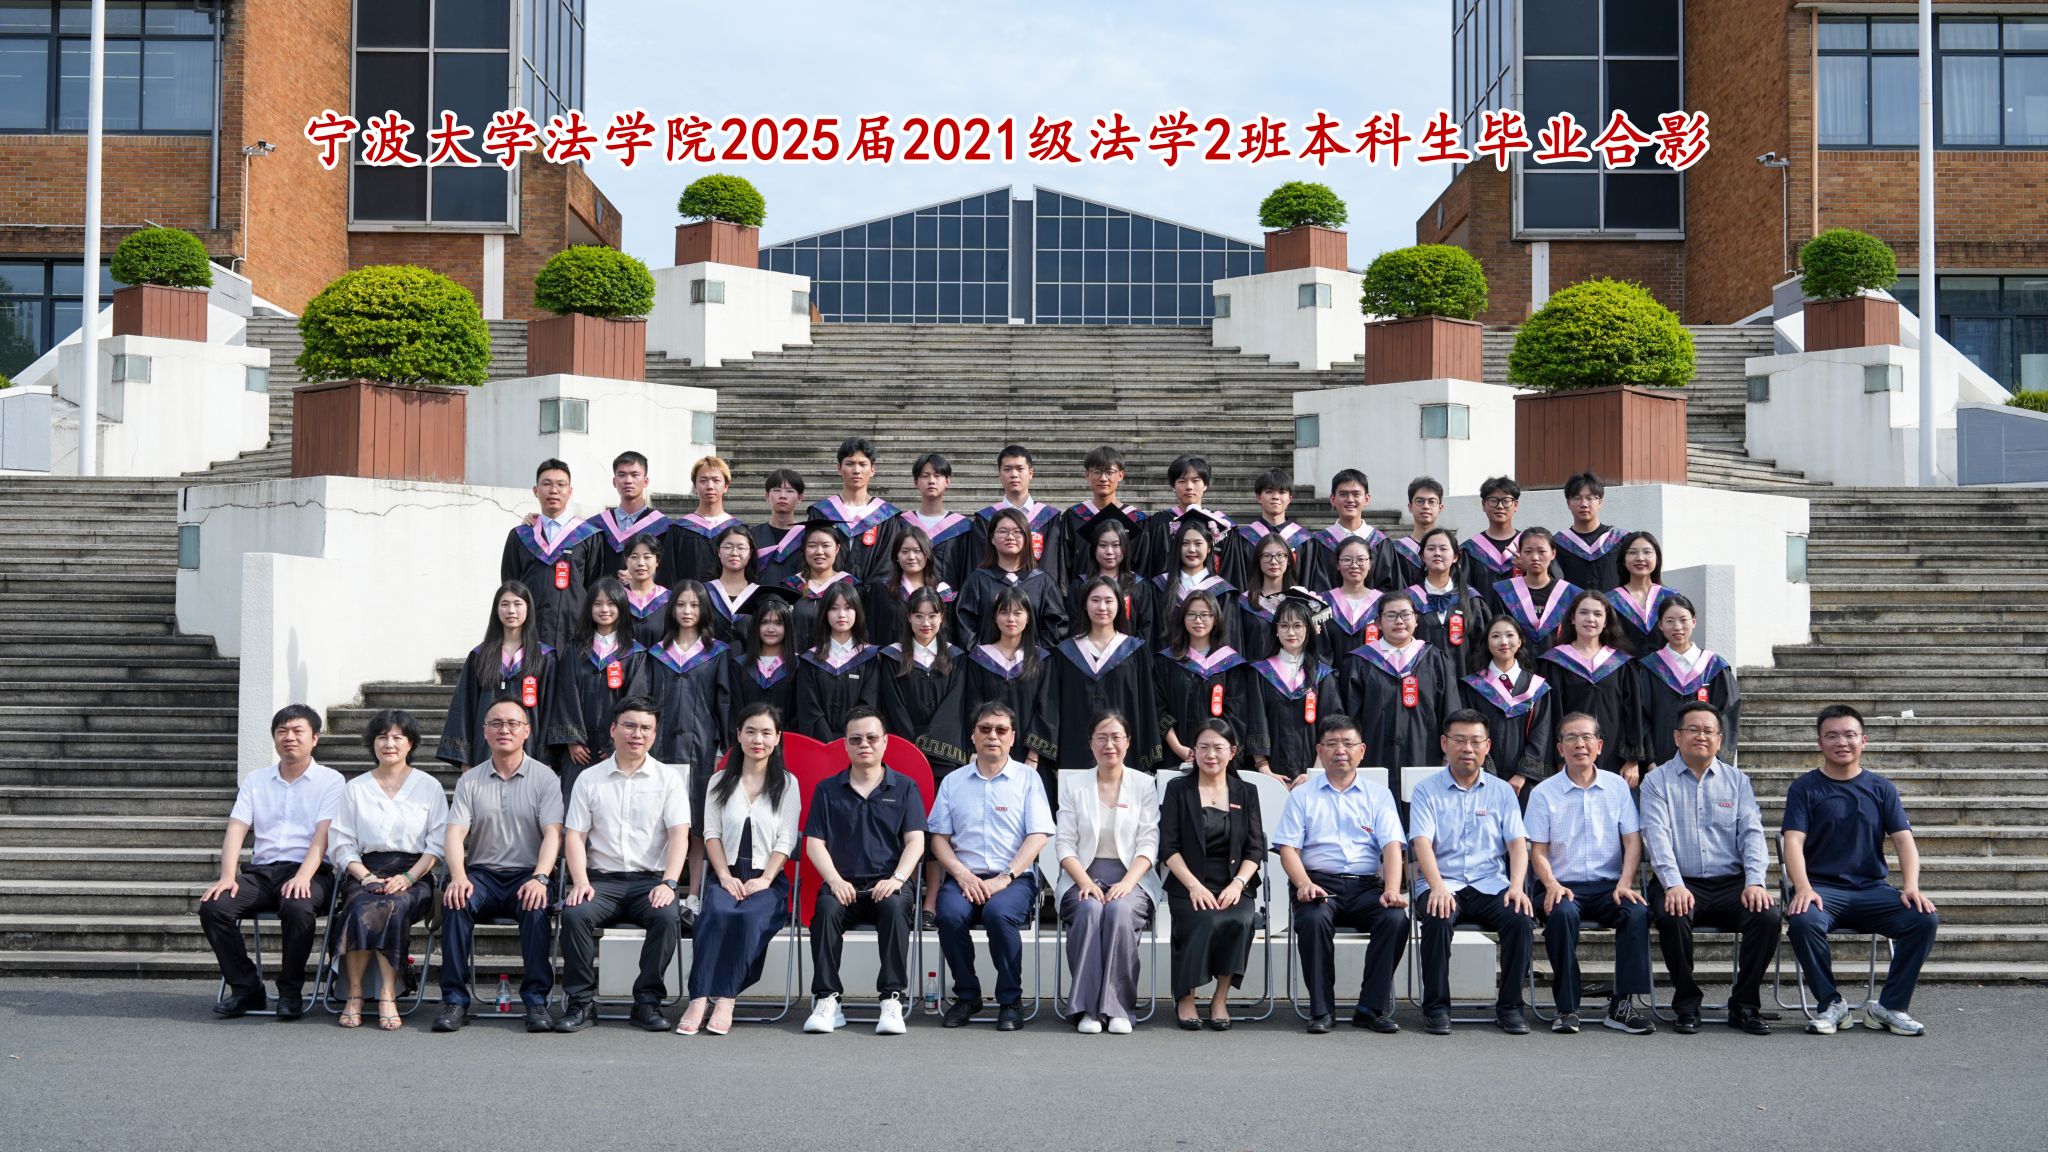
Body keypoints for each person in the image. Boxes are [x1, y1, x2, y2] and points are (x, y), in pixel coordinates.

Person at [1784, 704, 1940, 1037]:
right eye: (1832, 736)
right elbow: (1793, 842)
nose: (1841, 742)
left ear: (1863, 740)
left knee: (1923, 919)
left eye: (1849, 735)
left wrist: (1911, 886)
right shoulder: (1805, 788)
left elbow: (1904, 841)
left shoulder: (1881, 788)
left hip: (1871, 890)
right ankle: (1831, 1004)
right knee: (1803, 921)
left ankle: (1890, 1007)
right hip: (1822, 891)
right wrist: (1803, 887)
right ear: (1819, 742)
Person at [1639, 701, 1780, 1036]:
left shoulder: (1737, 781)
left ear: (1719, 739)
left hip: (1732, 883)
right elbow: (1656, 837)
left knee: (1767, 916)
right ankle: (1687, 1003)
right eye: (1693, 729)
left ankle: (1745, 1004)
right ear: (1677, 736)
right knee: (1672, 916)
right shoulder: (1656, 781)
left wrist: (1755, 882)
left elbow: (1752, 835)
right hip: (1681, 881)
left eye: (1708, 731)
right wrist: (1673, 884)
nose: (1700, 736)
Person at [198, 704, 344, 1019]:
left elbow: (323, 835)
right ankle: (247, 989)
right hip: (262, 873)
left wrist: (303, 876)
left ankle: (290, 992)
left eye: (297, 731)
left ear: (315, 738)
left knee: (298, 905)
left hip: (312, 871)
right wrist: (227, 876)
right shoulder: (257, 780)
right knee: (214, 906)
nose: (289, 737)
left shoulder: (331, 780)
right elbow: (236, 829)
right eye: (282, 731)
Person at [555, 697, 690, 1033]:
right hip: (601, 882)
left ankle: (647, 1001)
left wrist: (670, 883)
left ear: (654, 735)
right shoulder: (589, 778)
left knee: (667, 916)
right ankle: (581, 1002)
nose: (637, 734)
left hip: (650, 882)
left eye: (645, 728)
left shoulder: (668, 779)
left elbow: (679, 836)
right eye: (629, 725)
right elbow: (575, 836)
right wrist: (580, 882)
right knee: (575, 914)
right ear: (613, 729)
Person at [1274, 715, 1411, 1035]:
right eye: (1332, 744)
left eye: (1348, 744)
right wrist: (1304, 884)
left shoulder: (1379, 795)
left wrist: (1392, 889)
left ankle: (1370, 1008)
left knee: (1394, 919)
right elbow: (1288, 849)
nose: (1340, 751)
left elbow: (1392, 846)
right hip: (1319, 884)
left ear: (1362, 751)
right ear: (1319, 751)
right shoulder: (1302, 795)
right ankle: (1322, 1009)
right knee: (1313, 919)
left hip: (1366, 887)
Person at [434, 697, 563, 1034]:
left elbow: (553, 833)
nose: (504, 729)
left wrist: (541, 877)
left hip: (528, 874)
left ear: (527, 732)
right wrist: (458, 877)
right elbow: (454, 833)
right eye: (496, 723)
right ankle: (454, 1001)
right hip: (482, 876)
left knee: (536, 906)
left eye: (513, 723)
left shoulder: (546, 778)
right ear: (485, 731)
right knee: (456, 901)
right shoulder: (470, 780)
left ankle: (535, 1001)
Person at [1408, 710, 1538, 1036]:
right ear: (1444, 744)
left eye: (1476, 741)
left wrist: (1517, 886)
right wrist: (1437, 887)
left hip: (1490, 884)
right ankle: (1436, 1007)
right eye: (1460, 740)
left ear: (1487, 746)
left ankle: (1510, 1007)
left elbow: (1517, 844)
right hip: (1442, 883)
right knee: (1437, 917)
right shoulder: (1426, 790)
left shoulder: (1502, 791)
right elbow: (1421, 843)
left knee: (1520, 918)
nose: (1468, 748)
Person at [1526, 712, 1656, 1035]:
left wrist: (1625, 882)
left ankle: (1622, 1006)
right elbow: (1537, 851)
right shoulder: (1543, 792)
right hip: (1561, 885)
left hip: (1608, 886)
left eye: (1586, 737)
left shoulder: (1617, 787)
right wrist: (1551, 884)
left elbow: (1632, 841)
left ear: (1599, 746)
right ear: (1560, 748)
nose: (1579, 744)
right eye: (1571, 738)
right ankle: (1567, 1007)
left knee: (1637, 912)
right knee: (1562, 913)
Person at [929, 702, 1055, 1031]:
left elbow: (1038, 836)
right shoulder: (953, 782)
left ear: (1012, 737)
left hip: (1014, 878)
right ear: (973, 735)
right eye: (985, 729)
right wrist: (961, 874)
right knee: (949, 915)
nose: (993, 736)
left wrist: (1005, 877)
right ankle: (967, 995)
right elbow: (938, 839)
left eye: (1001, 730)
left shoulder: (1028, 779)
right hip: (964, 877)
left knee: (998, 915)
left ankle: (1010, 1000)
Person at [803, 707, 928, 1036]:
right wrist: (834, 881)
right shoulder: (828, 789)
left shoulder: (905, 787)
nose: (864, 745)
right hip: (842, 884)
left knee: (895, 908)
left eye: (872, 738)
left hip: (888, 883)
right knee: (825, 909)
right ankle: (827, 999)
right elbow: (814, 843)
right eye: (856, 739)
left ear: (885, 742)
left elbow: (916, 841)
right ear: (845, 744)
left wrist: (897, 879)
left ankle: (891, 999)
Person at [678, 703, 800, 1036]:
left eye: (766, 733)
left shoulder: (787, 784)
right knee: (716, 913)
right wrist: (724, 876)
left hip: (768, 879)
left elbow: (787, 838)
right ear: (738, 735)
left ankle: (726, 998)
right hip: (726, 874)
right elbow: (711, 834)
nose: (758, 740)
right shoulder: (719, 781)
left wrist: (766, 879)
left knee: (748, 918)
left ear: (777, 738)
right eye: (751, 732)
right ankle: (698, 998)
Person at [327, 710, 448, 1031]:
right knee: (360, 905)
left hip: (414, 875)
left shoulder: (429, 786)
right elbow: (341, 843)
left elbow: (437, 845)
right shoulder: (356, 788)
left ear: (411, 744)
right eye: (382, 737)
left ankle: (387, 994)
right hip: (365, 872)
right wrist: (365, 876)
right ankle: (354, 994)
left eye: (397, 737)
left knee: (393, 905)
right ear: (373, 743)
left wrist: (408, 877)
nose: (389, 744)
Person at [1054, 711, 1162, 1035]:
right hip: (1082, 875)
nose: (1109, 744)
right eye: (1101, 737)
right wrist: (1085, 882)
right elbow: (1064, 843)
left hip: (1132, 876)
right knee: (1089, 910)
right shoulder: (1074, 785)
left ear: (1128, 743)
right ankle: (1088, 1009)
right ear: (1091, 743)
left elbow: (1149, 841)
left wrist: (1128, 883)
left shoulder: (1144, 785)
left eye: (1116, 737)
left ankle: (1118, 1009)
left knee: (1118, 911)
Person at [1158, 720, 1266, 1030]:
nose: (1211, 754)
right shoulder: (1178, 789)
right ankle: (1186, 997)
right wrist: (1194, 886)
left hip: (1234, 883)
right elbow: (1168, 846)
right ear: (1193, 752)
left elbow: (1255, 848)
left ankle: (1220, 999)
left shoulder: (1246, 791)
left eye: (1218, 747)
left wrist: (1238, 883)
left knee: (1240, 920)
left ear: (1232, 752)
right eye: (1203, 747)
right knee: (1202, 920)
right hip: (1189, 883)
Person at [645, 579, 730, 914]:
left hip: (701, 750)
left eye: (694, 605)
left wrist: (724, 747)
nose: (687, 610)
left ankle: (693, 893)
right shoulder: (656, 654)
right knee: (661, 822)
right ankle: (657, 888)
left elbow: (723, 703)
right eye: (681, 604)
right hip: (661, 749)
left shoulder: (717, 653)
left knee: (697, 824)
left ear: (704, 609)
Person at [1337, 591, 1461, 794]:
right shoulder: (1360, 661)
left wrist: (1449, 755)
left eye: (1405, 614)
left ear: (1416, 619)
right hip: (1373, 756)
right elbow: (1350, 717)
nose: (1399, 621)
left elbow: (1450, 709)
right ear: (1378, 622)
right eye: (1391, 615)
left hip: (1424, 755)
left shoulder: (1434, 658)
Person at [543, 578, 650, 797]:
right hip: (579, 752)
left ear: (621, 607)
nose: (604, 609)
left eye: (611, 604)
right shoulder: (575, 649)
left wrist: (616, 743)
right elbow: (565, 694)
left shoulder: (634, 653)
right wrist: (572, 740)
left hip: (616, 750)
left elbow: (635, 700)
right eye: (598, 604)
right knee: (576, 805)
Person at [1046, 576, 1161, 774]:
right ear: (1084, 605)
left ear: (1119, 606)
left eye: (1109, 601)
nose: (1102, 607)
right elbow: (1052, 706)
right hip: (1075, 751)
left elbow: (1146, 704)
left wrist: (1147, 754)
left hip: (1125, 754)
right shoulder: (1065, 653)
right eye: (1095, 600)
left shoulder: (1135, 650)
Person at [437, 581, 554, 769]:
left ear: (528, 609)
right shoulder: (480, 656)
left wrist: (547, 759)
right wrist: (465, 759)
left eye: (517, 604)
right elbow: (464, 707)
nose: (511, 610)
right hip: (485, 750)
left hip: (531, 751)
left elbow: (550, 710)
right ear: (497, 610)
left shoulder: (544, 657)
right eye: (504, 604)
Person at [1538, 590, 1647, 782]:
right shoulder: (1555, 661)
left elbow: (1632, 711)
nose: (1590, 619)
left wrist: (1632, 759)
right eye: (1584, 612)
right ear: (1572, 618)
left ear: (1606, 622)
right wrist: (1560, 759)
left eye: (1597, 614)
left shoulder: (1621, 662)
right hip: (1572, 753)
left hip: (1615, 756)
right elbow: (1553, 712)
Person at [1154, 588, 1265, 771]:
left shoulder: (1230, 664)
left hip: (1217, 759)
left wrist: (1213, 751)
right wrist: (1178, 748)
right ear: (1182, 618)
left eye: (1205, 615)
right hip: (1176, 756)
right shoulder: (1166, 661)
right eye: (1191, 614)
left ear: (1215, 619)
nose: (1198, 620)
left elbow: (1236, 714)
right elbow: (1158, 708)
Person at [958, 586, 1058, 783]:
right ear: (995, 618)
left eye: (1017, 613)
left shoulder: (1041, 660)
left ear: (1028, 618)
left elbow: (1047, 710)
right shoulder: (979, 659)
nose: (1011, 619)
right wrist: (980, 749)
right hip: (989, 751)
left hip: (1031, 758)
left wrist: (1034, 755)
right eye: (1004, 612)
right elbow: (973, 706)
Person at [500, 458, 600, 649]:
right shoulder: (521, 535)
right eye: (546, 484)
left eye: (561, 485)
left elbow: (594, 585)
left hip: (574, 632)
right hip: (530, 632)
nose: (554, 490)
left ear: (570, 491)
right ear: (535, 490)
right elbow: (510, 583)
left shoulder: (588, 536)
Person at [1635, 593, 1741, 766]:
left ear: (1694, 621)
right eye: (1670, 621)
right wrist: (1649, 761)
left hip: (1706, 762)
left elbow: (1727, 715)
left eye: (1683, 620)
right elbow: (1641, 717)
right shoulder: (1650, 667)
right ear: (1660, 625)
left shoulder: (1714, 667)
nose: (1677, 627)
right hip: (1661, 763)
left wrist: (1717, 760)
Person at [1459, 615, 1554, 800]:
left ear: (1520, 641)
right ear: (1487, 642)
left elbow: (1541, 734)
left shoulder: (1536, 687)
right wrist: (1487, 772)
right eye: (1495, 636)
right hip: (1480, 777)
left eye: (1510, 635)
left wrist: (1522, 774)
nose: (1503, 642)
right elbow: (1469, 731)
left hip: (1524, 783)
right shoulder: (1473, 686)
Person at [877, 587, 969, 776]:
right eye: (918, 616)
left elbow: (954, 707)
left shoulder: (957, 658)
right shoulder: (892, 658)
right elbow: (893, 706)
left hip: (944, 752)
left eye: (932, 616)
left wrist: (930, 745)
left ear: (942, 617)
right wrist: (912, 746)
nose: (925, 623)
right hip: (904, 751)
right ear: (909, 617)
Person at [1250, 594, 1339, 786]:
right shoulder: (1262, 672)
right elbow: (1255, 718)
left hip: (1315, 772)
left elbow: (1331, 725)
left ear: (1309, 629)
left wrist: (1315, 772)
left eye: (1298, 626)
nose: (1291, 632)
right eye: (1284, 626)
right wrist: (1263, 768)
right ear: (1276, 630)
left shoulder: (1323, 675)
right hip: (1270, 774)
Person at [956, 505, 1069, 646]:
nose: (1010, 537)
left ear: (1027, 538)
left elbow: (1056, 626)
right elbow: (965, 625)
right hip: (988, 659)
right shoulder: (978, 580)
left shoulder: (1043, 581)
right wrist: (983, 654)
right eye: (1003, 531)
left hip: (1033, 659)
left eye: (1017, 532)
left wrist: (1037, 653)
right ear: (992, 538)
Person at [793, 581, 883, 742]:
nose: (841, 614)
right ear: (825, 613)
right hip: (818, 744)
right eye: (834, 608)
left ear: (857, 611)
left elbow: (868, 704)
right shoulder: (810, 660)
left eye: (848, 607)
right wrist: (829, 744)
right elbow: (809, 708)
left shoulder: (869, 657)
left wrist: (849, 740)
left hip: (857, 744)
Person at [808, 437, 903, 584]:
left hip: (873, 594)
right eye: (850, 463)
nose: (856, 470)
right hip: (828, 592)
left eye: (862, 464)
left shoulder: (886, 515)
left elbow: (887, 564)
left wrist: (867, 592)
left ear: (872, 470)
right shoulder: (821, 512)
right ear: (839, 468)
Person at [972, 444, 1067, 590]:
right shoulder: (986, 519)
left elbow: (1051, 564)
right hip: (996, 595)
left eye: (1020, 469)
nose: (1014, 475)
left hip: (1038, 593)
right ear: (999, 474)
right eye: (1007, 469)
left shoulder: (1049, 517)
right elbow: (983, 563)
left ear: (1031, 473)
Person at [1135, 454, 1235, 579]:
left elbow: (1230, 571)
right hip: (1167, 589)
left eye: (1195, 481)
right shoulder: (1160, 522)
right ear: (1173, 486)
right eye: (1182, 481)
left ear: (1205, 485)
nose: (1189, 487)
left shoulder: (1220, 525)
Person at [1068, 504, 1156, 643]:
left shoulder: (1139, 586)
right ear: (1094, 548)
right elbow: (1074, 628)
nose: (1109, 552)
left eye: (1116, 545)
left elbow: (1146, 631)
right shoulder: (1080, 585)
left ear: (1125, 548)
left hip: (1130, 654)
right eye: (1102, 545)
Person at [865, 522, 956, 655]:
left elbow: (948, 634)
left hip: (933, 661)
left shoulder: (942, 591)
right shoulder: (881, 590)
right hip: (891, 660)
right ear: (896, 556)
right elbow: (872, 632)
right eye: (905, 551)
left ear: (927, 554)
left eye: (917, 551)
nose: (911, 557)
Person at [1060, 444, 1147, 582]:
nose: (1103, 478)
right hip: (1082, 591)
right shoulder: (1073, 516)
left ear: (1120, 475)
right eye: (1097, 472)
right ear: (1087, 475)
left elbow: (1142, 565)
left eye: (1109, 472)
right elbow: (1064, 564)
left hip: (1126, 592)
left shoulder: (1136, 519)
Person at [1300, 469, 1395, 594]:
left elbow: (1390, 589)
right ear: (1333, 499)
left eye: (1356, 494)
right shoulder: (1318, 544)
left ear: (1367, 499)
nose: (1350, 499)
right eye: (1343, 494)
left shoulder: (1380, 543)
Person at [1485, 528, 1580, 654]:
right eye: (1528, 551)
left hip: (1559, 663)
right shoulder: (1504, 592)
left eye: (1542, 551)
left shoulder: (1571, 594)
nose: (1535, 557)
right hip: (1516, 663)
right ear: (1520, 553)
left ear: (1553, 554)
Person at [1152, 510, 1238, 649]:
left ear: (1209, 548)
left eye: (1198, 543)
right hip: (1166, 661)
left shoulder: (1223, 592)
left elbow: (1228, 640)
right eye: (1185, 543)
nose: (1191, 549)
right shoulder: (1159, 586)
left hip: (1209, 662)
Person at [590, 451, 672, 587]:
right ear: (614, 482)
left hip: (647, 598)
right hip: (605, 598)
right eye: (622, 475)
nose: (628, 481)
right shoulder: (595, 526)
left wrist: (642, 578)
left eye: (635, 475)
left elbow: (668, 571)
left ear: (646, 481)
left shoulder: (664, 527)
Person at [1222, 467, 1308, 593]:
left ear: (1290, 498)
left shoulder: (1304, 540)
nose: (1275, 497)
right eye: (1269, 491)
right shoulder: (1242, 538)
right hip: (1252, 603)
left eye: (1282, 492)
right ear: (1258, 497)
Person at [1408, 526, 1488, 662]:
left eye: (1443, 549)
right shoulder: (1409, 599)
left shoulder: (1471, 599)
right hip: (1422, 672)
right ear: (1422, 556)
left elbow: (1482, 646)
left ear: (1455, 557)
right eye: (1431, 548)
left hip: (1463, 672)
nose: (1437, 553)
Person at [725, 588, 799, 731]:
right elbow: (735, 713)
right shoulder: (739, 666)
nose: (770, 629)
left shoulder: (798, 667)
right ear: (755, 626)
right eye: (764, 622)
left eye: (778, 623)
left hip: (787, 740)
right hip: (748, 740)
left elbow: (799, 715)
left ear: (788, 627)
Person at [901, 451, 977, 590]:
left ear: (947, 481)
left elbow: (968, 571)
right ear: (916, 482)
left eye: (937, 476)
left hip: (951, 601)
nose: (931, 481)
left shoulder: (962, 527)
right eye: (925, 476)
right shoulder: (901, 523)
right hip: (907, 599)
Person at [670, 456, 745, 587]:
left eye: (716, 480)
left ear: (726, 486)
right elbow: (668, 576)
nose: (710, 486)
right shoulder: (679, 529)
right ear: (695, 486)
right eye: (703, 480)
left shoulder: (738, 529)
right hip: (688, 598)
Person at [787, 520, 858, 654]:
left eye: (826, 545)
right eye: (812, 546)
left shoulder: (852, 586)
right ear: (804, 549)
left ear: (837, 548)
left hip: (840, 660)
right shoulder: (789, 587)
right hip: (797, 661)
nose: (819, 552)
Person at [1605, 531, 1677, 657]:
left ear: (1657, 559)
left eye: (1647, 552)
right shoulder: (1610, 600)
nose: (1640, 558)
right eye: (1633, 552)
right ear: (1623, 560)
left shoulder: (1670, 598)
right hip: (1623, 668)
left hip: (1664, 667)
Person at [1554, 472, 1628, 591]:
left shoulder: (1621, 540)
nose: (1584, 504)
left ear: (1600, 502)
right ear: (1568, 503)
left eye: (1590, 498)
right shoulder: (1557, 544)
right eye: (1577, 498)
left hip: (1613, 603)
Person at [1316, 536, 1385, 658]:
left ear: (1370, 564)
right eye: (1347, 560)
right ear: (1338, 564)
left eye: (1361, 559)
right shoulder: (1323, 602)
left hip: (1373, 669)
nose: (1354, 565)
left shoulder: (1383, 603)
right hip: (1331, 669)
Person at [1235, 531, 1298, 662]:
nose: (1273, 561)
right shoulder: (1244, 603)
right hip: (1255, 672)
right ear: (1258, 561)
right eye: (1266, 556)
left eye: (1280, 555)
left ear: (1288, 560)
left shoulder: (1299, 599)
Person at [1460, 475, 1528, 589]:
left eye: (1506, 501)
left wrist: (1529, 569)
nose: (1500, 506)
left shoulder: (1528, 545)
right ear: (1483, 505)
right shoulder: (1470, 550)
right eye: (1493, 500)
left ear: (1515, 505)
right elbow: (1464, 590)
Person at [704, 523, 763, 645]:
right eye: (728, 547)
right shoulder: (704, 592)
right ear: (718, 551)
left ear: (750, 554)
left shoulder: (760, 594)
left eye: (741, 548)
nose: (734, 553)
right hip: (710, 656)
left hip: (750, 657)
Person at [750, 468, 809, 587]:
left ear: (800, 498)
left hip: (797, 596)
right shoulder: (752, 535)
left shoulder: (808, 536)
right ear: (767, 496)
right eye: (776, 490)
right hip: (761, 597)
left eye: (790, 491)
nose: (782, 496)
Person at [1390, 477, 1446, 588]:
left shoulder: (1449, 551)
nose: (1426, 506)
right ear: (1410, 507)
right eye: (1420, 501)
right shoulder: (1396, 551)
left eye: (1432, 502)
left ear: (1440, 508)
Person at [620, 535, 671, 649]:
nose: (641, 563)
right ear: (626, 561)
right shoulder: (616, 598)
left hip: (659, 659)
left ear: (657, 561)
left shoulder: (669, 599)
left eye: (647, 557)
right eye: (634, 557)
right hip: (623, 660)